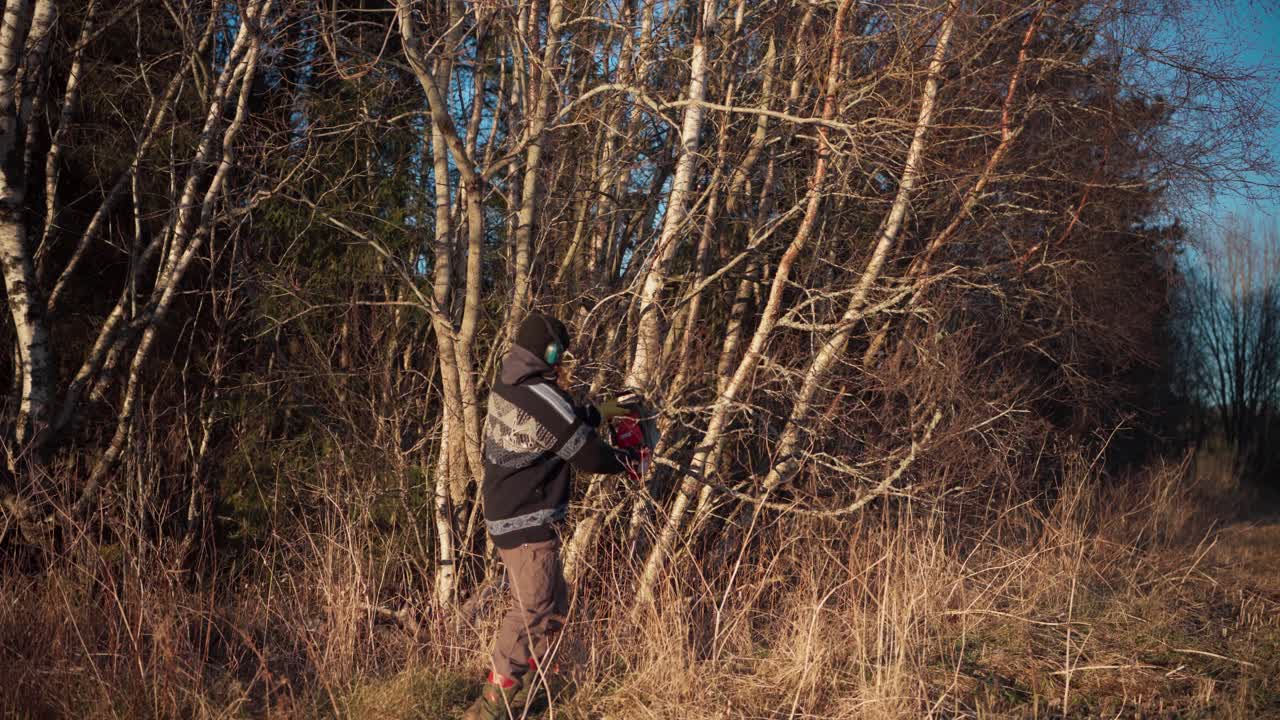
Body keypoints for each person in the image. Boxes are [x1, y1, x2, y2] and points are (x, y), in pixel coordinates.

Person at [462, 313, 632, 720]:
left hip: (513, 511)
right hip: (527, 520)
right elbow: (588, 454)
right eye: (559, 350)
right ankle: (491, 707)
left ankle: (526, 696)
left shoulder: (512, 381)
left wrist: (600, 412)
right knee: (533, 609)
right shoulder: (538, 394)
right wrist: (627, 461)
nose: (562, 359)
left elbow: (564, 416)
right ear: (548, 350)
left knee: (554, 602)